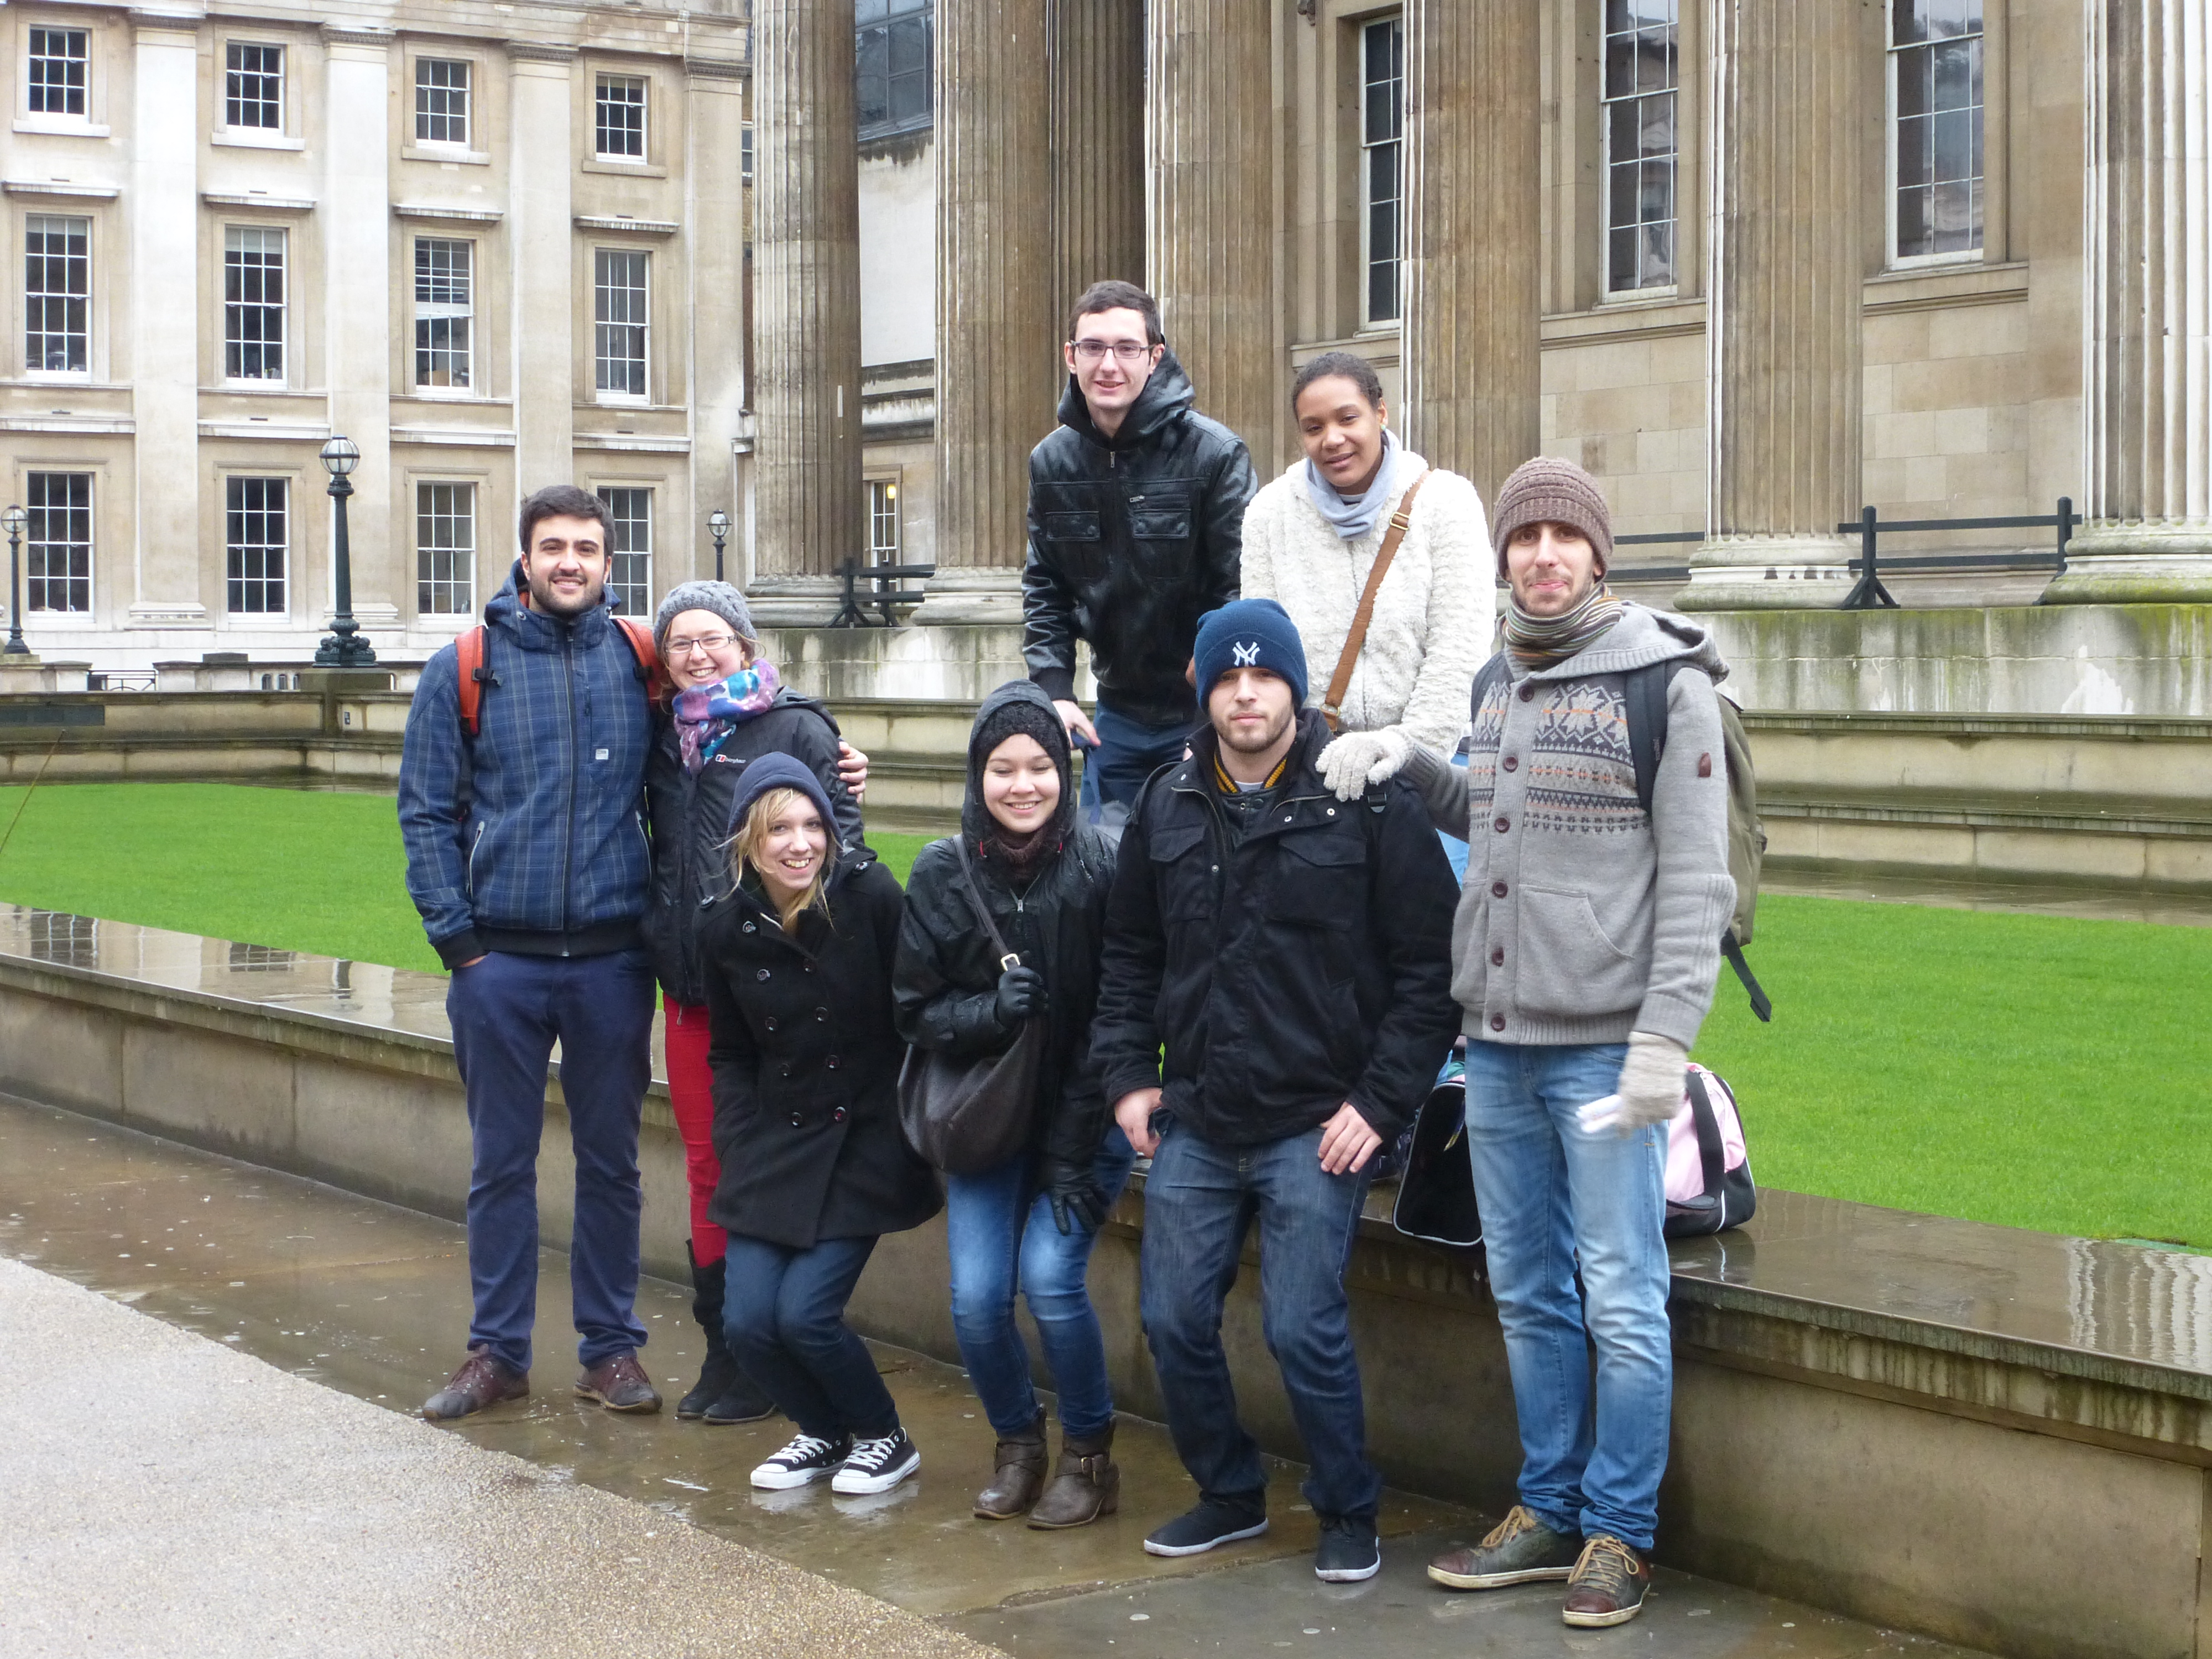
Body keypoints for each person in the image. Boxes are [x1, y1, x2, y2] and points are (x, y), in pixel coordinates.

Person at [1380, 457, 1736, 1629]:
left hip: (1603, 1052)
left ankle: (1618, 1533)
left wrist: (1662, 1045)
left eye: (1561, 537)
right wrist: (1407, 764)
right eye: (1522, 537)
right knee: (1527, 1290)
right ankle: (1546, 1508)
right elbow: (1489, 818)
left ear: (1597, 553)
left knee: (1622, 1295)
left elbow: (1698, 883)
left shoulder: (1663, 681)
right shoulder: (1498, 676)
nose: (1541, 555)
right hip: (1494, 1044)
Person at [1089, 598, 1460, 1583]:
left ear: (1295, 688)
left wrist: (1379, 1104)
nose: (1245, 695)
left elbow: (1432, 971)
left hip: (1319, 1119)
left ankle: (1348, 1507)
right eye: (1227, 678)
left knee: (1301, 1327)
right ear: (1205, 692)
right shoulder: (1168, 801)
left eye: (1264, 677)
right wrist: (1128, 1078)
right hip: (1201, 1114)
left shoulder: (1366, 800)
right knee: (1172, 1320)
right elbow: (1130, 955)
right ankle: (1229, 1492)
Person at [399, 484, 664, 1421]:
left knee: (613, 1164)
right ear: (525, 558)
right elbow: (425, 811)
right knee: (501, 1166)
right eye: (553, 547)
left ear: (609, 561)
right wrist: (458, 941)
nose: (570, 563)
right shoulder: (465, 665)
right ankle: (498, 1353)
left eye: (586, 548)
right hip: (499, 966)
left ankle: (610, 1350)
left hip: (612, 961)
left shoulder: (641, 661)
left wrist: (832, 762)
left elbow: (724, 745)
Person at [892, 681, 1130, 1528]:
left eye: (1039, 767)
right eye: (1003, 769)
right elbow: (914, 1009)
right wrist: (990, 1014)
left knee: (1051, 1282)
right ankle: (1018, 1444)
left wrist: (1074, 1148)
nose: (1023, 785)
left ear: (1065, 773)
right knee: (977, 1299)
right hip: (987, 1116)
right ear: (977, 775)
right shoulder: (942, 871)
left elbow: (1122, 1015)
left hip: (1085, 1118)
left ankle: (1090, 1456)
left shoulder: (1102, 867)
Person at [643, 579, 868, 1427]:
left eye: (714, 638)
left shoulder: (797, 727)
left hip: (778, 990)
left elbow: (842, 851)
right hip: (692, 990)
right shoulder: (663, 735)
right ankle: (725, 1352)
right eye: (681, 642)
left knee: (772, 1164)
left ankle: (774, 1346)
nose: (699, 654)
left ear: (744, 643)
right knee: (708, 1169)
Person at [700, 755, 942, 1495]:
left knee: (805, 1316)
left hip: (865, 1137)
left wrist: (909, 1125)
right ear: (749, 840)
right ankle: (825, 1433)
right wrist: (738, 1138)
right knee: (746, 1324)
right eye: (779, 829)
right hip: (775, 1143)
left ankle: (885, 1437)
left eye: (813, 825)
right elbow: (730, 1053)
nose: (800, 843)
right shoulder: (723, 926)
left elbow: (919, 1009)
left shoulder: (870, 895)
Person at [1022, 279, 1256, 831]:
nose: (1109, 364)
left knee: (1204, 867)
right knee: (1106, 871)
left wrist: (1214, 716)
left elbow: (1240, 590)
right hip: (1113, 721)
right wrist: (1053, 690)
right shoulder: (1050, 462)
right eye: (1093, 347)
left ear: (1154, 357)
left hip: (1203, 713)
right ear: (1071, 357)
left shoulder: (1215, 454)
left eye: (1127, 348)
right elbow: (1046, 587)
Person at [1239, 351, 1493, 815]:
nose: (1333, 439)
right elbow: (1265, 652)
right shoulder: (1269, 514)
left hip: (1432, 768)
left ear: (1381, 413)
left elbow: (1459, 650)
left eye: (1348, 418)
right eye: (1314, 428)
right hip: (1315, 773)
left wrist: (1409, 751)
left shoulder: (1447, 501)